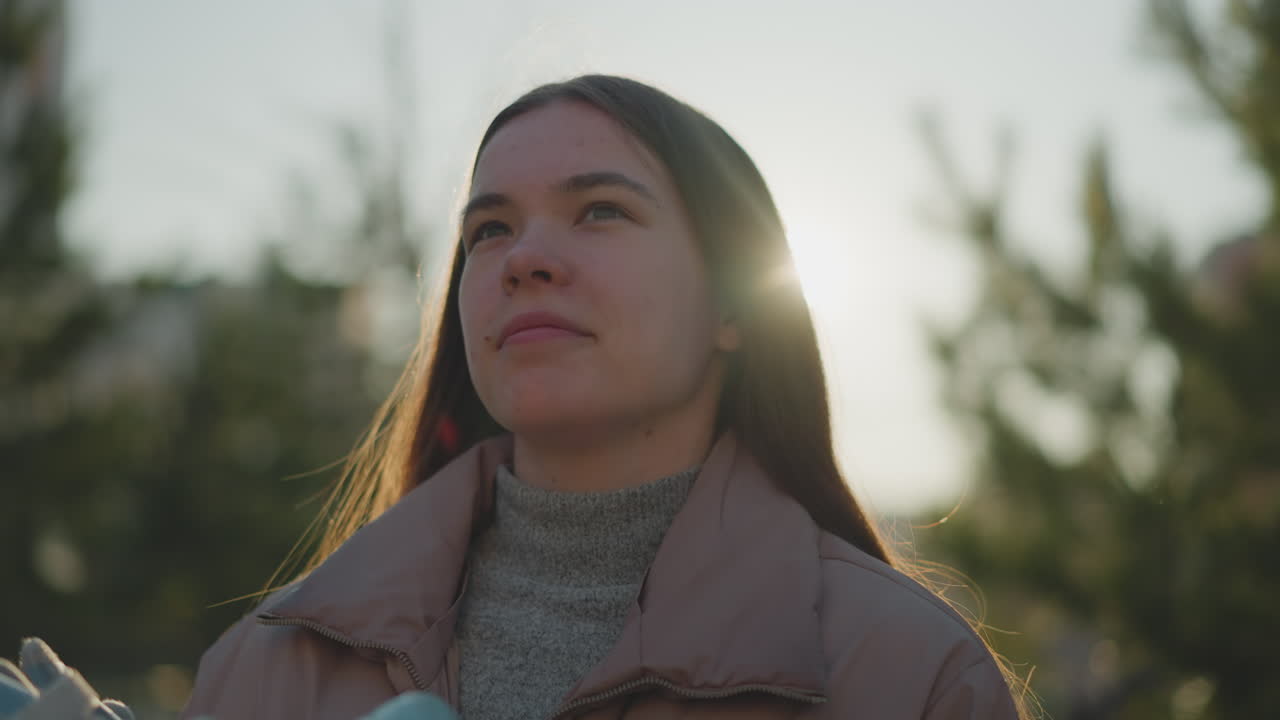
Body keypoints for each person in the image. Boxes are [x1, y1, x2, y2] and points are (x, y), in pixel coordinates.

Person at [180, 75, 1028, 720]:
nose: (523, 259)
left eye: (599, 212)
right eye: (490, 230)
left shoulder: (912, 678)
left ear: (734, 306)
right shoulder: (266, 669)